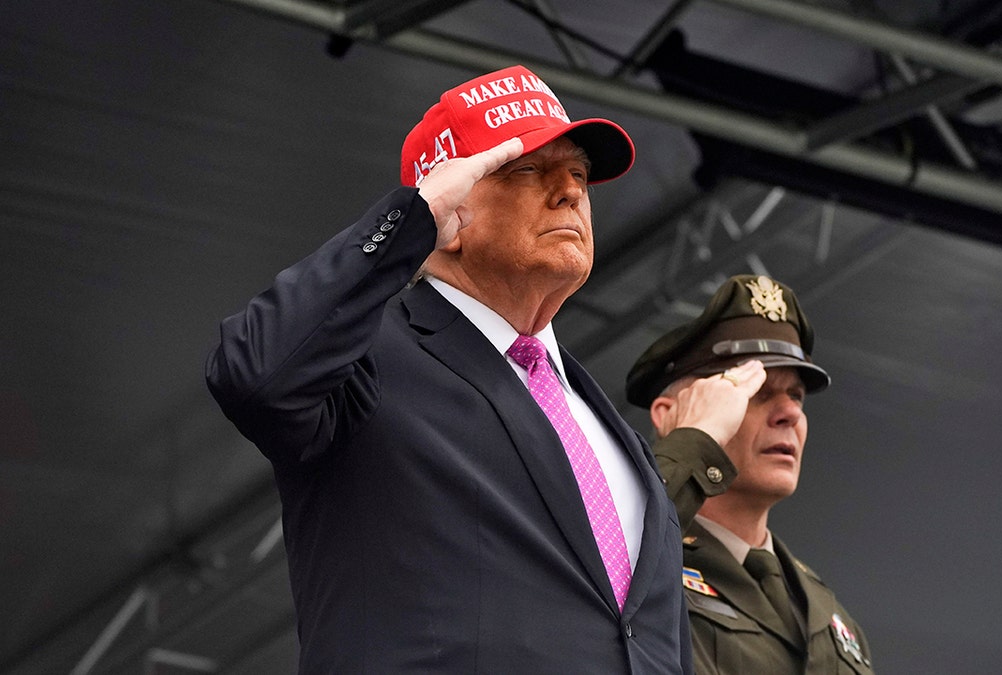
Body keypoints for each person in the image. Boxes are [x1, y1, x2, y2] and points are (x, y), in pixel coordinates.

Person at [206, 65, 690, 674]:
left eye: (579, 175)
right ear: (451, 206)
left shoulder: (602, 425)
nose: (570, 191)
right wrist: (410, 222)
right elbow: (256, 373)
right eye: (527, 169)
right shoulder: (365, 358)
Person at [625, 274, 874, 674]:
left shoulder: (832, 619)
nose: (791, 412)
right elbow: (608, 559)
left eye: (796, 396)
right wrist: (694, 438)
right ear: (670, 414)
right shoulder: (640, 564)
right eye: (756, 392)